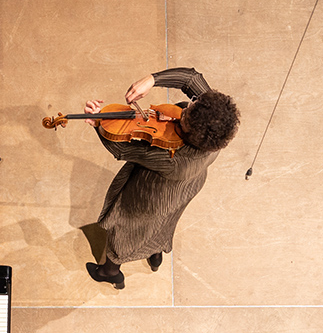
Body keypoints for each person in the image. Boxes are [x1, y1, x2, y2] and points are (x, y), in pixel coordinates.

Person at [84, 68, 240, 289]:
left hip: (153, 192)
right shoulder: (215, 121)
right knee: (166, 220)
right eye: (191, 104)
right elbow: (191, 79)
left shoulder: (173, 160)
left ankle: (110, 272)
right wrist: (151, 80)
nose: (179, 113)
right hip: (188, 186)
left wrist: (99, 123)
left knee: (127, 227)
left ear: (192, 137)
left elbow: (122, 150)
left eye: (183, 120)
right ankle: (156, 255)